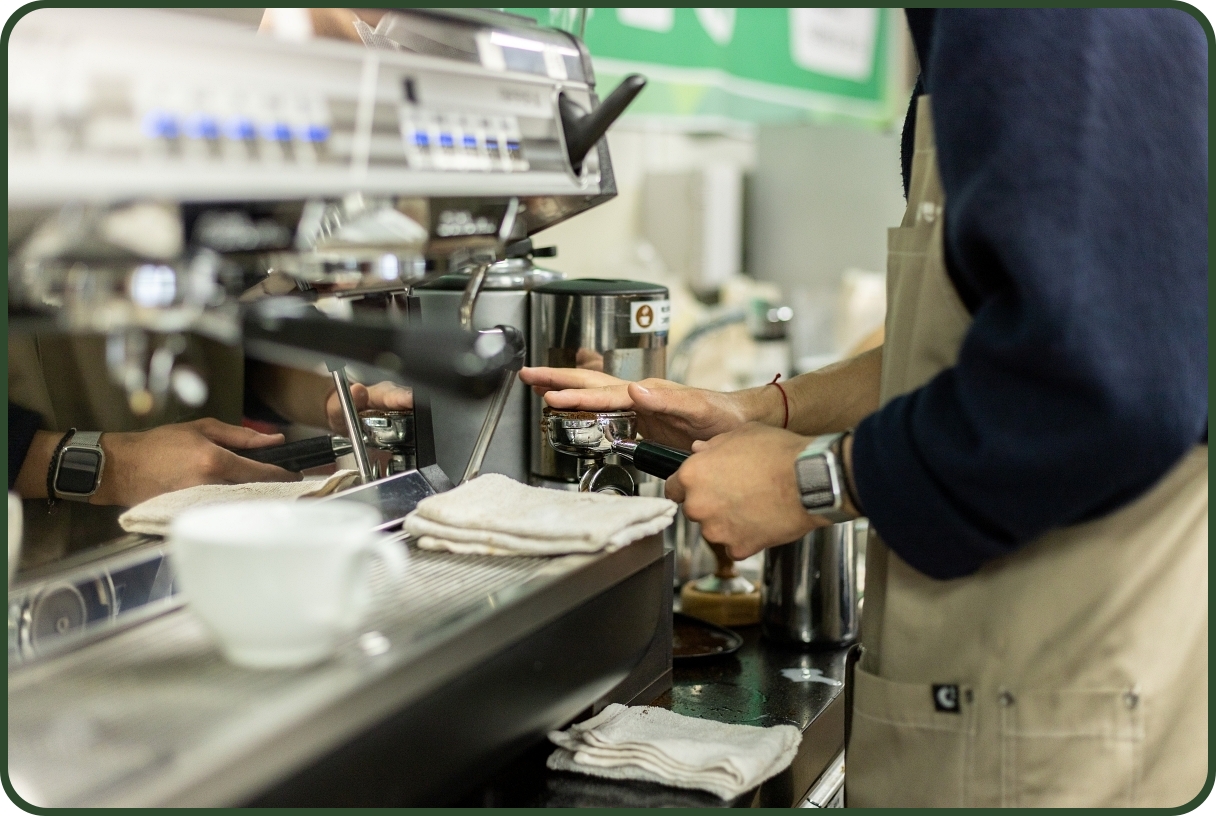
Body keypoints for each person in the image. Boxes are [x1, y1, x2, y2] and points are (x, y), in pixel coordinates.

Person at [522, 8, 1206, 807]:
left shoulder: (1044, 23)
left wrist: (809, 482)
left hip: (1060, 714)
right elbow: (973, 342)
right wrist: (756, 411)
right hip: (989, 691)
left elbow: (1107, 384)